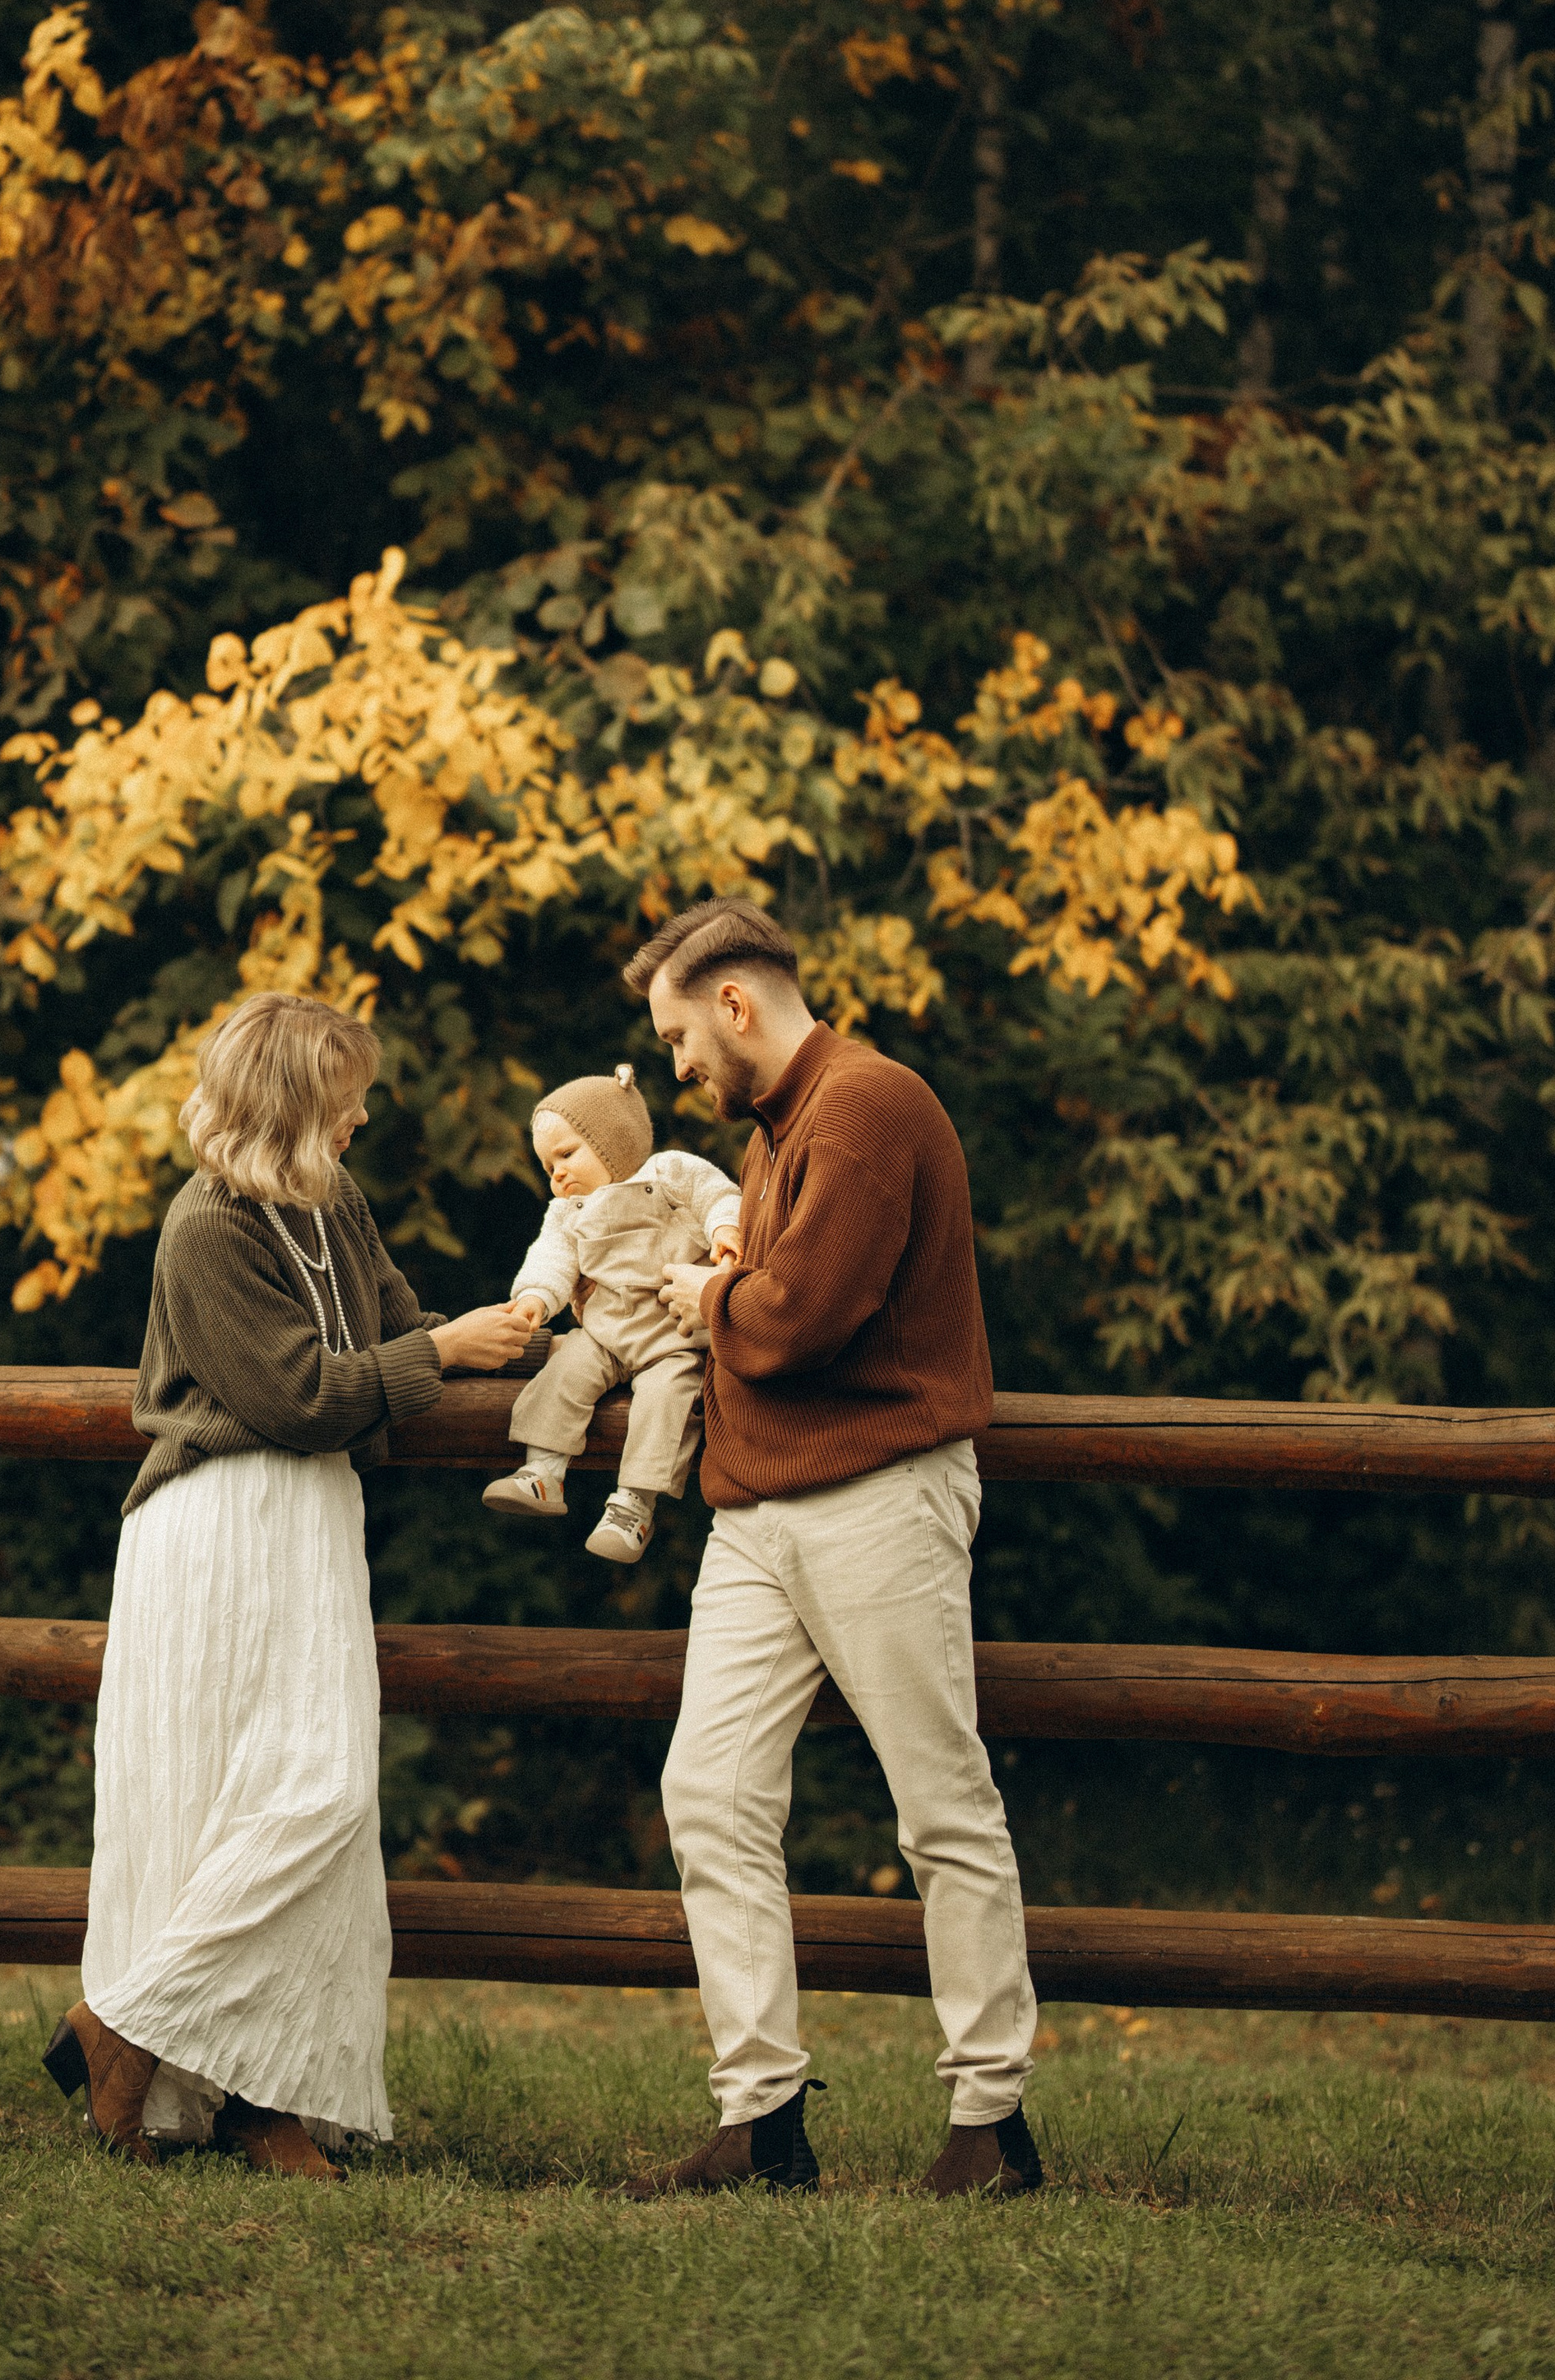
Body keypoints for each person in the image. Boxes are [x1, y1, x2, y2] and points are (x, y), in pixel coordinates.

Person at [42, 989, 538, 2174]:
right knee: (230, 1800)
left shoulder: (335, 1203)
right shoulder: (205, 1229)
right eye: (344, 1096)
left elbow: (395, 1323)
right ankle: (150, 2044)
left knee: (320, 1802)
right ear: (291, 1106)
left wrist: (533, 1359)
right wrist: (437, 1355)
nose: (363, 1114)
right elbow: (297, 1397)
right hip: (218, 1523)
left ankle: (226, 2078)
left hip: (314, 1525)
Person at [617, 897, 1042, 2202]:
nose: (678, 1066)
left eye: (682, 1037)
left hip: (877, 1498)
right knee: (711, 1795)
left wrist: (703, 1295)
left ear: (736, 1004)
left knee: (940, 1805)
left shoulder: (865, 1107)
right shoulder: (781, 1127)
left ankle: (992, 2121)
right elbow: (787, 1299)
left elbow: (799, 1320)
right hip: (758, 1512)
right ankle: (763, 2120)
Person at [479, 1060, 741, 1563]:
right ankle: (543, 1473)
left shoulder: (668, 1172)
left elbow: (717, 1196)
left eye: (567, 1154)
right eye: (547, 1166)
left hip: (672, 1338)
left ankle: (633, 1508)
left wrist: (725, 1229)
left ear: (612, 1141)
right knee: (566, 1367)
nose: (557, 1173)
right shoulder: (566, 1213)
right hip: (604, 1331)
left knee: (668, 1400)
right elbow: (551, 1258)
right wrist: (535, 1296)